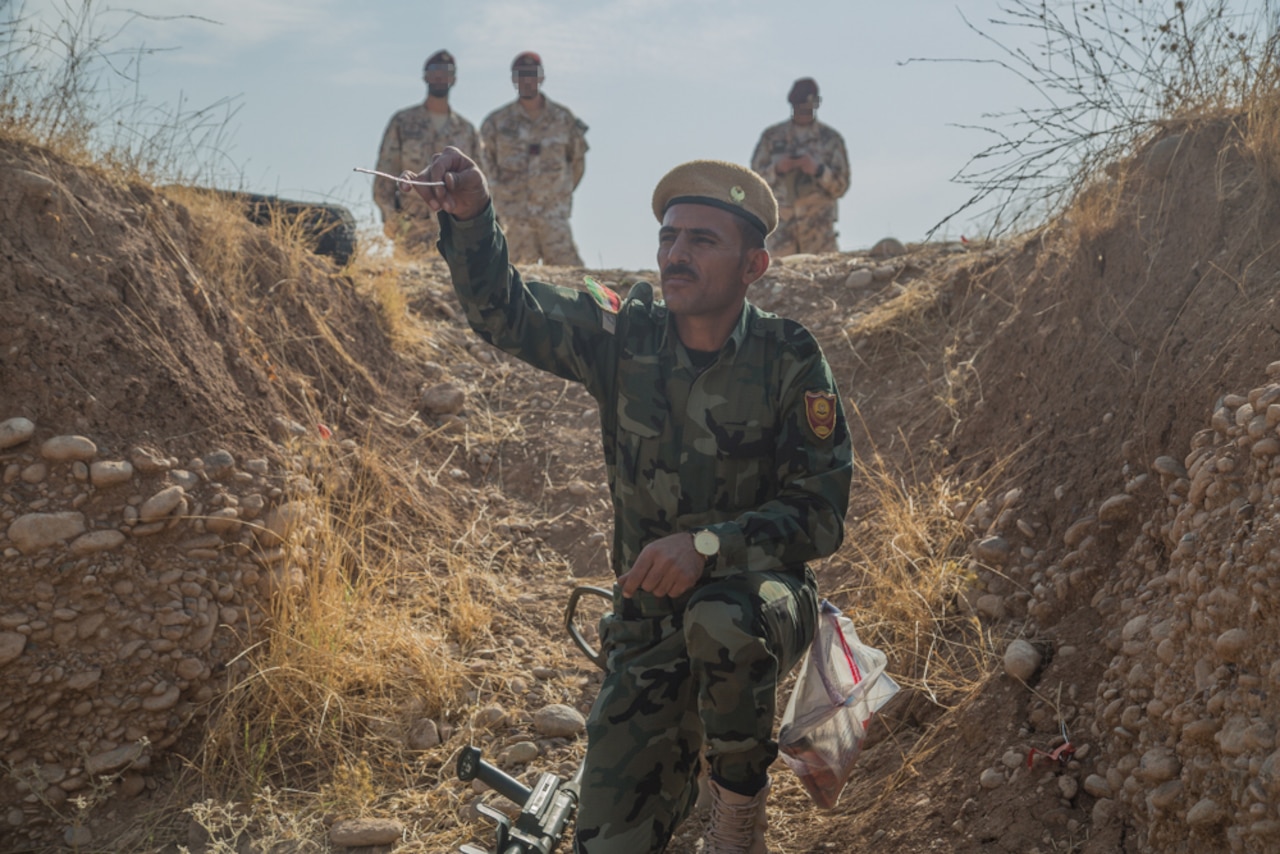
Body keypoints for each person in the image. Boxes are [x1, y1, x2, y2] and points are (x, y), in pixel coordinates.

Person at [403, 148, 852, 853]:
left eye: (702, 241)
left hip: (761, 601)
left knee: (722, 617)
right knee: (609, 841)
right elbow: (507, 312)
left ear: (752, 266)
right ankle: (686, 752)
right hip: (647, 625)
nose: (676, 254)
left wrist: (708, 548)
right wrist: (472, 217)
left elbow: (822, 511)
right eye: (669, 237)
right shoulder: (623, 331)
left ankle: (738, 813)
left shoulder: (788, 356)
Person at [479, 51, 589, 266]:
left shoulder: (563, 119)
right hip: (514, 218)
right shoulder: (496, 123)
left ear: (542, 77)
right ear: (513, 79)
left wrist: (557, 193)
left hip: (553, 217)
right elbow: (485, 165)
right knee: (515, 280)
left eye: (532, 74)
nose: (527, 80)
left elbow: (577, 163)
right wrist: (502, 197)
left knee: (569, 277)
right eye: (521, 74)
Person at [373, 50, 481, 254]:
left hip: (456, 229)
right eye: (434, 70)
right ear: (425, 76)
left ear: (454, 78)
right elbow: (384, 176)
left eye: (446, 71)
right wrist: (391, 219)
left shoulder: (466, 131)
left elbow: (481, 181)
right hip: (412, 228)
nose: (440, 76)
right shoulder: (403, 122)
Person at [750, 78, 851, 257]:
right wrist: (777, 169)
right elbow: (753, 182)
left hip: (818, 235)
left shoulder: (831, 140)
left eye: (807, 109)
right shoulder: (772, 137)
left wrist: (818, 170)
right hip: (780, 235)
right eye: (799, 109)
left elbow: (841, 186)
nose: (803, 113)